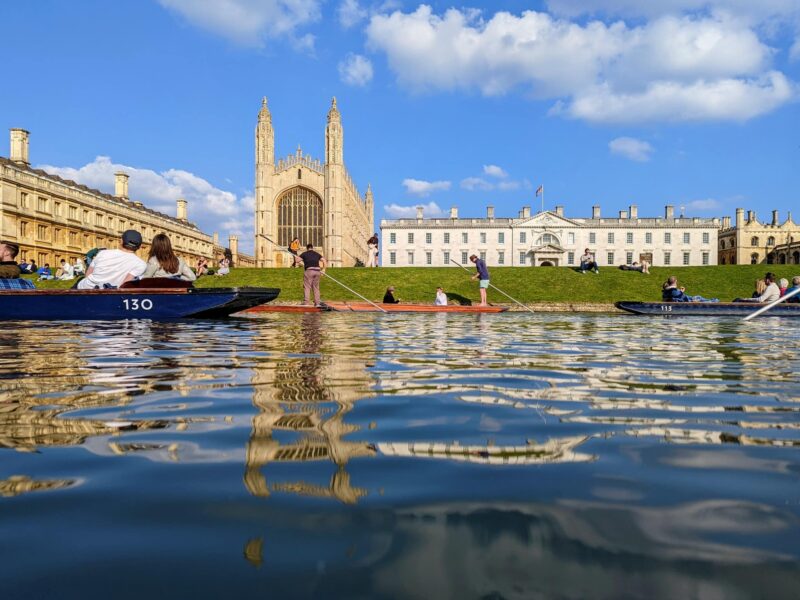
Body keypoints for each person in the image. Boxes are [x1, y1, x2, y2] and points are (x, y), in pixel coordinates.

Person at [77, 230, 146, 290]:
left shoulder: (102, 253)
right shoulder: (141, 264)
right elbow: (125, 284)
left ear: (121, 241)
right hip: (110, 293)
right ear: (139, 247)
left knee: (80, 280)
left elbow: (88, 274)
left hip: (85, 288)